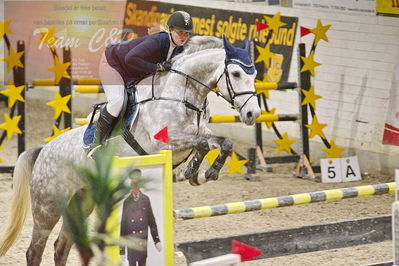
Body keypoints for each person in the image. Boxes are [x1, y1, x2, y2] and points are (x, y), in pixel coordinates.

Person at [89, 11, 193, 152]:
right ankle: (95, 145)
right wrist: (157, 67)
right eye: (180, 32)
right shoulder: (157, 41)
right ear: (170, 29)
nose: (183, 37)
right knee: (118, 100)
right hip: (113, 64)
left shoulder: (179, 49)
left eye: (187, 33)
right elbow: (130, 59)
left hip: (132, 70)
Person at [120, 169, 162, 266]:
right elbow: (123, 226)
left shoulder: (145, 200)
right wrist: (122, 250)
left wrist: (157, 240)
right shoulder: (127, 202)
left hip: (142, 243)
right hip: (132, 244)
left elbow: (152, 222)